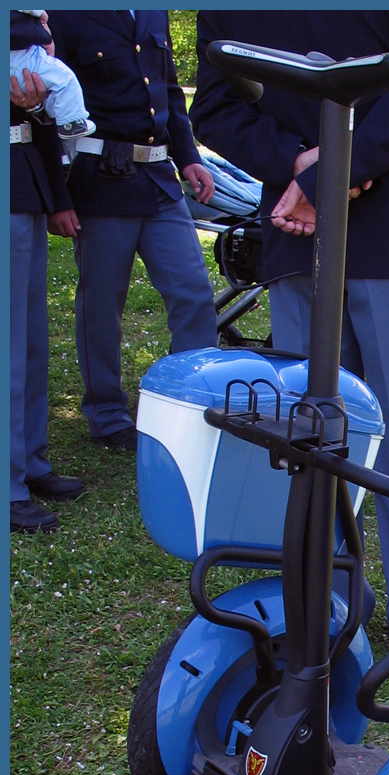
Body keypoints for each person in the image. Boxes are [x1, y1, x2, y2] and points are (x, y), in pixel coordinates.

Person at [190, 11, 389, 648]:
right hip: (297, 228)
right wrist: (302, 168)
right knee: (312, 438)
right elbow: (216, 106)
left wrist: (328, 170)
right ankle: (327, 614)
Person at [46, 10, 218, 452]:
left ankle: (192, 404)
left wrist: (188, 157)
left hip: (159, 178)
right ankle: (107, 413)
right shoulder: (64, 16)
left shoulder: (152, 11)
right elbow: (47, 107)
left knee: (193, 293)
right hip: (101, 178)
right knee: (103, 304)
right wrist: (58, 198)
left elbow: (168, 93)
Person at [10, 30, 85, 534]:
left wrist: (56, 195)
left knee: (31, 342)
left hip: (23, 179)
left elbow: (42, 125)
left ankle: (27, 460)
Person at [11, 10, 95, 139]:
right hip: (18, 56)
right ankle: (70, 124)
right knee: (64, 78)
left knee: (52, 86)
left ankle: (60, 117)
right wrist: (40, 13)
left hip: (20, 53)